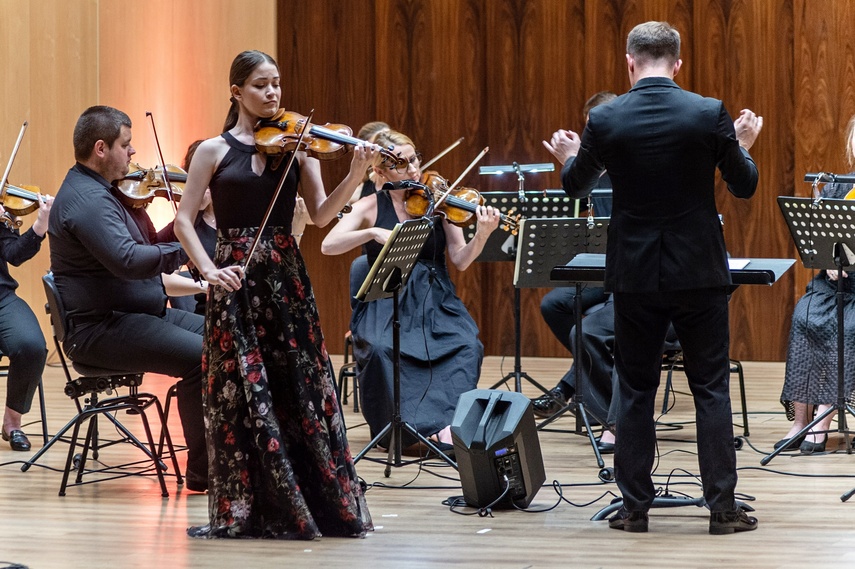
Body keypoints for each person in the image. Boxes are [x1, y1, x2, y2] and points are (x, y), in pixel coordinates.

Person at [544, 21, 763, 534]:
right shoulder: (707, 112)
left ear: (629, 62)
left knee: (635, 388)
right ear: (678, 63)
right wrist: (744, 144)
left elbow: (576, 186)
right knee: (710, 388)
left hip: (635, 274)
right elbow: (744, 185)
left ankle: (634, 508)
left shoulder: (605, 117)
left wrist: (570, 156)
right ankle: (722, 510)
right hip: (699, 272)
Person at [174, 49, 373, 540]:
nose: (273, 93)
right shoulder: (211, 151)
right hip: (235, 280)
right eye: (261, 85)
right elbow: (183, 221)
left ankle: (312, 502)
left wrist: (355, 174)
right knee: (240, 391)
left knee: (297, 386)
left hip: (285, 279)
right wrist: (208, 271)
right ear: (236, 92)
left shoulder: (299, 147)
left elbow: (321, 215)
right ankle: (248, 506)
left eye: (277, 83)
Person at [48, 105, 208, 491]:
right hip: (101, 328)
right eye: (126, 144)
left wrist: (189, 219)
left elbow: (149, 245)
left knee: (226, 337)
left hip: (138, 314)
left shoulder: (109, 192)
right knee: (202, 359)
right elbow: (130, 261)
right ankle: (205, 472)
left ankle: (238, 452)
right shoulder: (87, 201)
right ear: (101, 149)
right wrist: (189, 247)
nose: (133, 152)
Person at [321, 129, 501, 451]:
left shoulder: (437, 201)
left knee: (467, 345)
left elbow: (460, 260)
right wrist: (371, 233)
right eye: (401, 165)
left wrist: (483, 235)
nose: (413, 170)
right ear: (380, 172)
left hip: (435, 298)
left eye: (414, 160)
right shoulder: (370, 205)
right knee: (379, 348)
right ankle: (398, 431)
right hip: (386, 297)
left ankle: (446, 427)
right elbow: (328, 245)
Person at [533, 91, 616, 420]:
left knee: (595, 326)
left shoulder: (631, 159)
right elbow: (577, 203)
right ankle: (597, 369)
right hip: (604, 267)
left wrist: (577, 162)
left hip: (633, 269)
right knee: (553, 304)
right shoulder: (593, 166)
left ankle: (567, 388)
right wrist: (574, 165)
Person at [777, 115, 855, 454]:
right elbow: (818, 240)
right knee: (804, 317)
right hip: (834, 283)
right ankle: (800, 421)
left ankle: (822, 418)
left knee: (847, 329)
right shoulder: (836, 187)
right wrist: (828, 261)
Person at [0, 197, 52, 451]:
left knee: (31, 345)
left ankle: (12, 422)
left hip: (1, 298)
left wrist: (41, 223)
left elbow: (14, 255)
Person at [347, 121, 391, 204]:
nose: (387, 150)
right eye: (379, 146)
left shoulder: (411, 174)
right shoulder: (356, 197)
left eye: (390, 139)